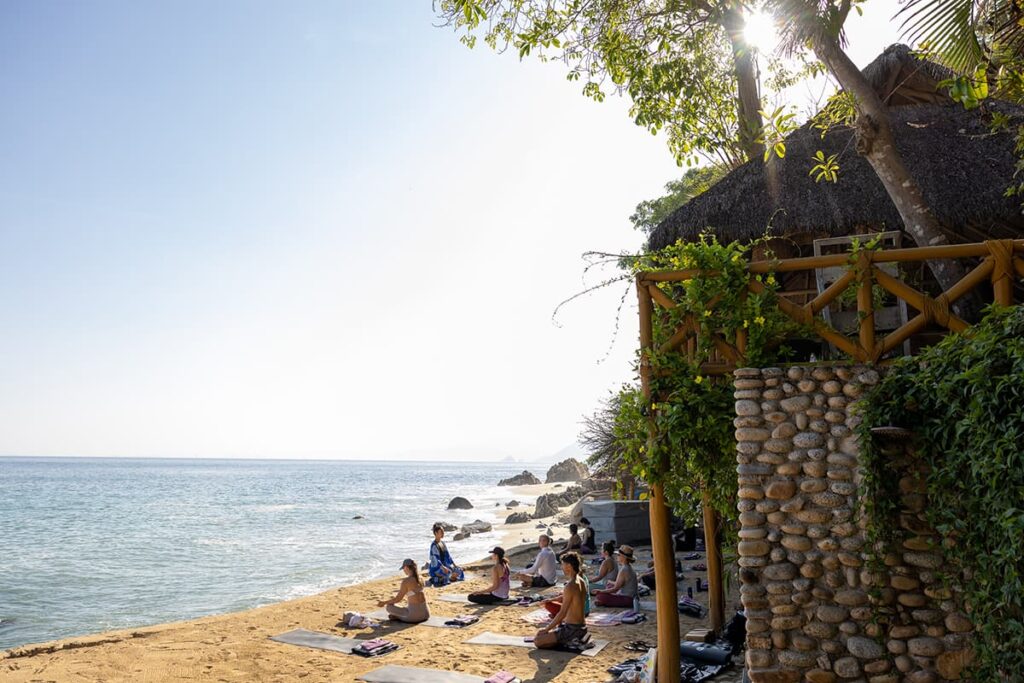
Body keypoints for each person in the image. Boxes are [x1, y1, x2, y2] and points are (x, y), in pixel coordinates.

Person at [535, 552, 589, 651]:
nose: (561, 567)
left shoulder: (570, 586)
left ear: (568, 566)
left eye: (562, 564)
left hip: (572, 629)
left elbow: (562, 613)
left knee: (538, 640)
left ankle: (570, 641)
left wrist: (547, 629)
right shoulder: (581, 580)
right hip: (582, 627)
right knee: (542, 636)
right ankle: (571, 640)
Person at [378, 558, 429, 623]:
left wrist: (384, 602)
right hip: (426, 614)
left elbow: (398, 599)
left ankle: (398, 617)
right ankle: (399, 616)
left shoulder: (406, 581)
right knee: (406, 606)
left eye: (403, 568)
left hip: (415, 617)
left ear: (406, 567)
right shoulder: (421, 579)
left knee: (389, 607)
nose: (403, 571)